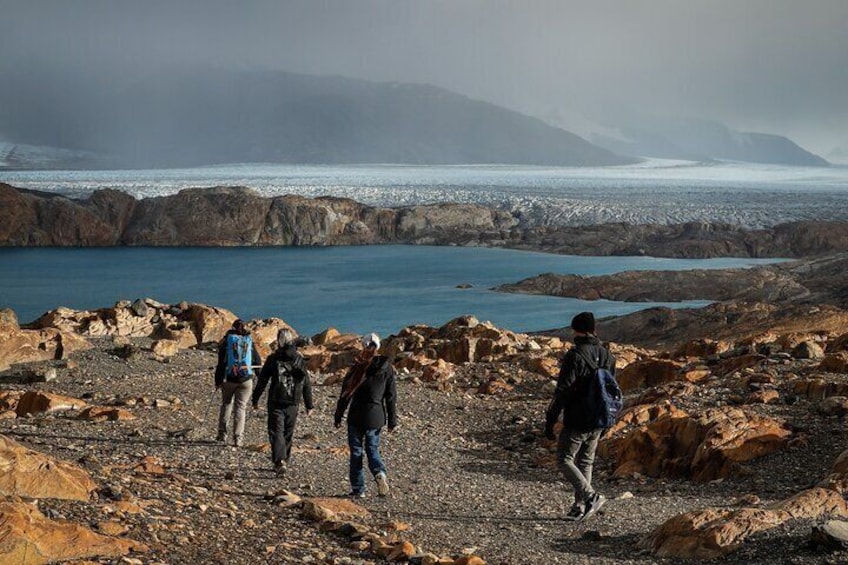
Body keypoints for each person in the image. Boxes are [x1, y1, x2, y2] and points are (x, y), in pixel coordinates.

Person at [544, 311, 616, 522]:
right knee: (586, 461)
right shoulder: (607, 355)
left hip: (577, 417)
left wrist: (551, 419)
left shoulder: (574, 356)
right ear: (594, 329)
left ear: (575, 329)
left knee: (564, 459)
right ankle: (580, 506)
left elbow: (563, 391)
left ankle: (590, 496)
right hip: (599, 417)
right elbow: (611, 389)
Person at [334, 333, 397, 498]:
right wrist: (392, 420)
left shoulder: (357, 366)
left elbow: (345, 394)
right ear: (378, 346)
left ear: (363, 346)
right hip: (375, 416)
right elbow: (391, 396)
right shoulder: (387, 367)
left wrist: (338, 415)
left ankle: (358, 489)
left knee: (356, 452)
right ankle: (379, 472)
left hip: (356, 416)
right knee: (372, 449)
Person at [252, 328, 313, 477]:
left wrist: (255, 398)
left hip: (276, 399)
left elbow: (263, 380)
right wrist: (309, 404)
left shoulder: (273, 358)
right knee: (288, 432)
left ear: (279, 340)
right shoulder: (298, 358)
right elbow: (306, 382)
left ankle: (279, 461)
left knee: (276, 431)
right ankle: (284, 459)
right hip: (293, 401)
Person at [214, 319, 262, 448]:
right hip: (246, 380)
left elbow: (221, 363)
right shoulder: (248, 341)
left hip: (229, 379)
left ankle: (222, 435)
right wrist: (260, 377)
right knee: (240, 408)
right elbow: (257, 360)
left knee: (226, 404)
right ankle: (238, 438)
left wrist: (218, 381)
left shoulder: (227, 341)